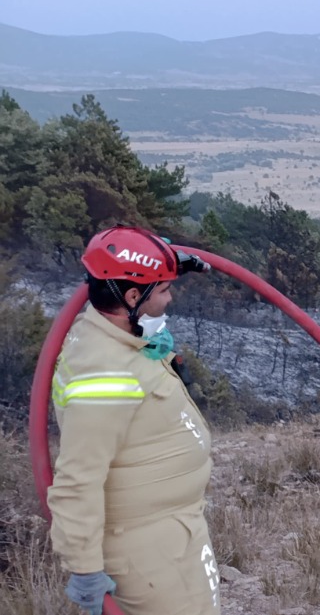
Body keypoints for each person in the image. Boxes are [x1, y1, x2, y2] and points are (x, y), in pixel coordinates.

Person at [49, 225, 216, 615]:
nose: (170, 298)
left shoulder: (117, 330)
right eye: (164, 290)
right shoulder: (103, 374)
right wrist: (86, 569)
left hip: (177, 530)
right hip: (149, 549)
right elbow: (77, 480)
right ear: (131, 296)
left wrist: (164, 261)